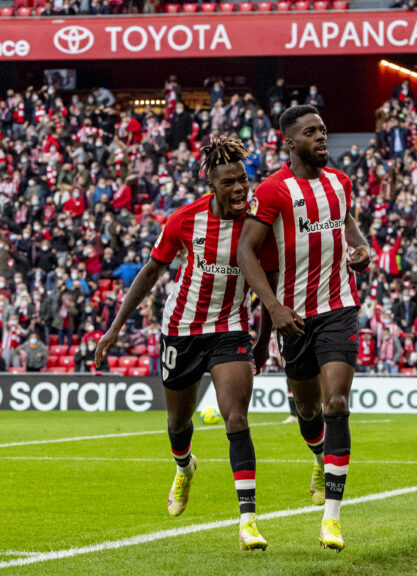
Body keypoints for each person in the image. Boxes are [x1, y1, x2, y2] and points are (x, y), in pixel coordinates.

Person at [95, 137, 268, 551]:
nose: (240, 188)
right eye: (229, 182)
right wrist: (116, 326)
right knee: (177, 424)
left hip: (230, 328)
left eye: (243, 179)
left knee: (236, 419)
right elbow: (151, 271)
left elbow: (274, 277)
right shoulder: (184, 220)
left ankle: (248, 521)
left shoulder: (260, 221)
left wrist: (263, 338)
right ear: (212, 184)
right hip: (182, 329)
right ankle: (185, 467)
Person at [237, 105, 371, 551]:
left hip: (339, 307)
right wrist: (272, 308)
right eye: (311, 132)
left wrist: (361, 247)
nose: (321, 138)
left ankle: (332, 518)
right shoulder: (273, 191)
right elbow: (246, 253)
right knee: (309, 412)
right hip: (292, 316)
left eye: (324, 130)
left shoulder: (341, 182)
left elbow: (349, 223)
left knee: (336, 402)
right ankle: (318, 457)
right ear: (289, 142)